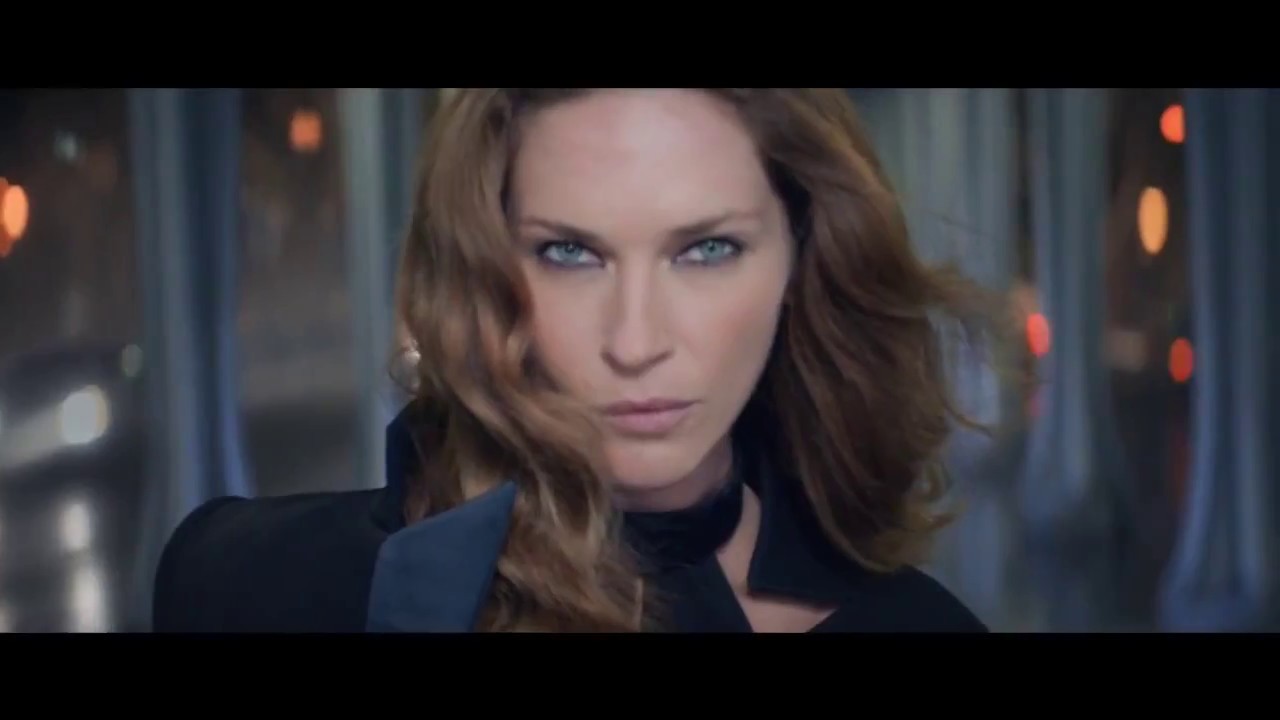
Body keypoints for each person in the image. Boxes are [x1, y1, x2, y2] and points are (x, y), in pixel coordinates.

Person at [153, 88, 996, 633]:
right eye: (570, 253)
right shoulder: (252, 588)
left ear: (801, 259)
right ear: (486, 271)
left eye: (706, 250)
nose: (635, 342)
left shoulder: (920, 626)